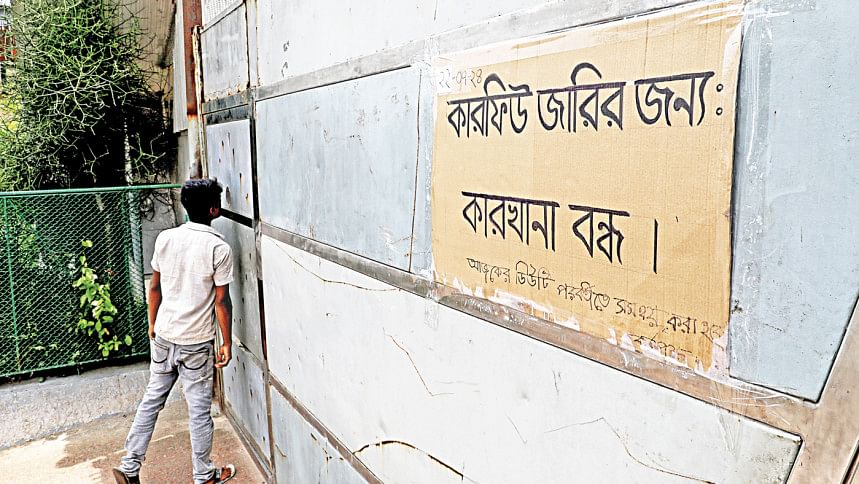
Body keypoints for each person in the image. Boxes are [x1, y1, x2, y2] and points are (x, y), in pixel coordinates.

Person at [113, 179, 236, 484]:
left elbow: (154, 287)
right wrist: (227, 342)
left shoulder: (166, 238)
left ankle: (129, 466)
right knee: (199, 411)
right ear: (214, 210)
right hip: (196, 343)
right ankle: (203, 475)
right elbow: (222, 301)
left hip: (164, 336)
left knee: (151, 401)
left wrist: (152, 323)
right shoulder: (219, 248)